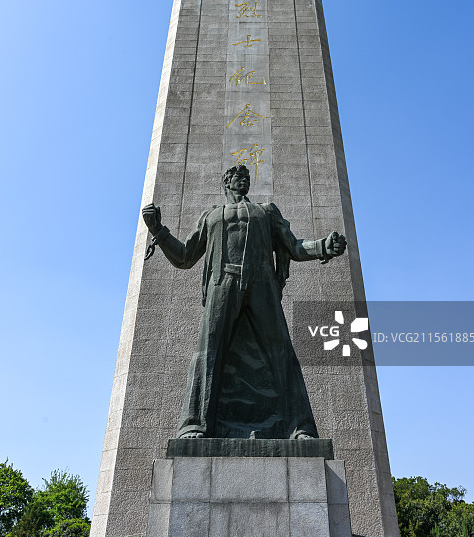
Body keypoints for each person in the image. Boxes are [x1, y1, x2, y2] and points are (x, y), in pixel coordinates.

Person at [142, 165, 347, 440]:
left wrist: (322, 246)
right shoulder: (211, 215)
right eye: (239, 177)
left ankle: (300, 428)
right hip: (222, 282)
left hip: (261, 282)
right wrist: (157, 229)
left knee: (281, 350)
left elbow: (294, 246)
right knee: (208, 351)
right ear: (226, 182)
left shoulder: (266, 211)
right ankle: (194, 425)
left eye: (247, 178)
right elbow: (184, 257)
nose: (244, 181)